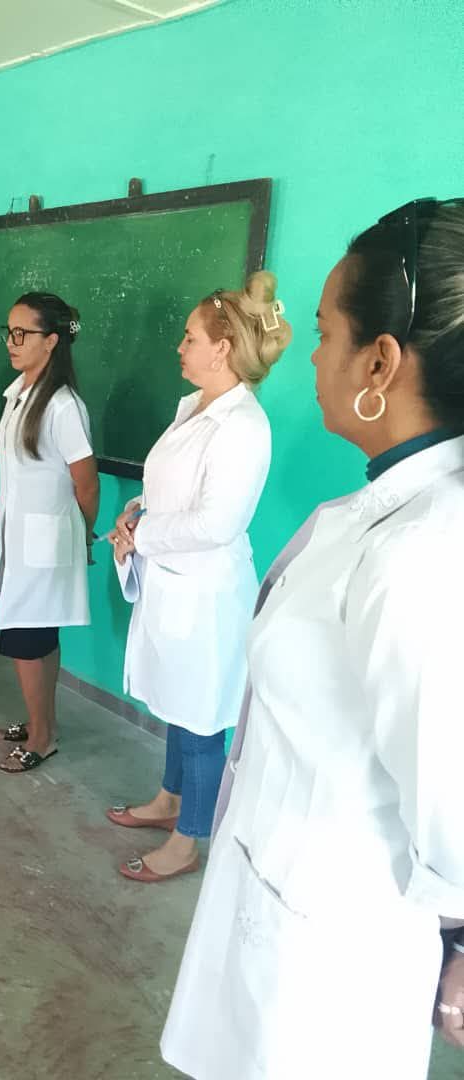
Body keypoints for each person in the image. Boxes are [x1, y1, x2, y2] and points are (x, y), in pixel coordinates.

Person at [161, 199, 464, 1080]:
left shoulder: (425, 547)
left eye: (327, 334)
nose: (312, 359)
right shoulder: (377, 512)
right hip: (284, 887)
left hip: (335, 938)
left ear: (381, 360)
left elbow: (448, 781)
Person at [105, 272, 291, 882]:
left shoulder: (242, 426)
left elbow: (216, 522)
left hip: (205, 592)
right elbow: (172, 489)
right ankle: (169, 799)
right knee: (178, 702)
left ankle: (187, 842)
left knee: (203, 718)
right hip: (172, 580)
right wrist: (137, 511)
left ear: (222, 348)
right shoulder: (195, 408)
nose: (179, 347)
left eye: (188, 338)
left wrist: (145, 535)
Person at [0, 292, 99, 773]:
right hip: (21, 538)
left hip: (45, 542)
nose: (12, 343)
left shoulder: (62, 406)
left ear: (51, 341)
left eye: (23, 334)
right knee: (37, 637)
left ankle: (42, 737)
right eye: (9, 333)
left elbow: (86, 481)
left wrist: (82, 536)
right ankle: (42, 722)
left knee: (26, 639)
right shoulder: (20, 393)